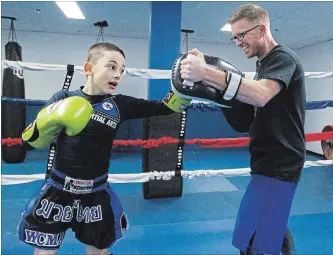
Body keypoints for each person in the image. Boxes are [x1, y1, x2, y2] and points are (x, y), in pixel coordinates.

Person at [18, 42, 191, 255]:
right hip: (58, 190)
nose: (118, 75)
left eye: (122, 70)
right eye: (111, 67)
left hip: (95, 192)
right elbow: (29, 142)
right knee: (44, 252)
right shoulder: (63, 98)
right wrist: (51, 119)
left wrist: (185, 88)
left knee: (99, 251)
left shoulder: (120, 104)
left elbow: (164, 107)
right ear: (89, 69)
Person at [176, 4, 305, 255]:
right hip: (265, 161)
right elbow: (246, 118)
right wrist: (216, 92)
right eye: (234, 36)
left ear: (263, 29)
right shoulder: (263, 64)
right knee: (257, 230)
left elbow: (261, 95)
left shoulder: (282, 58)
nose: (238, 42)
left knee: (260, 240)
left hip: (282, 164)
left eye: (242, 34)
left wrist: (207, 73)